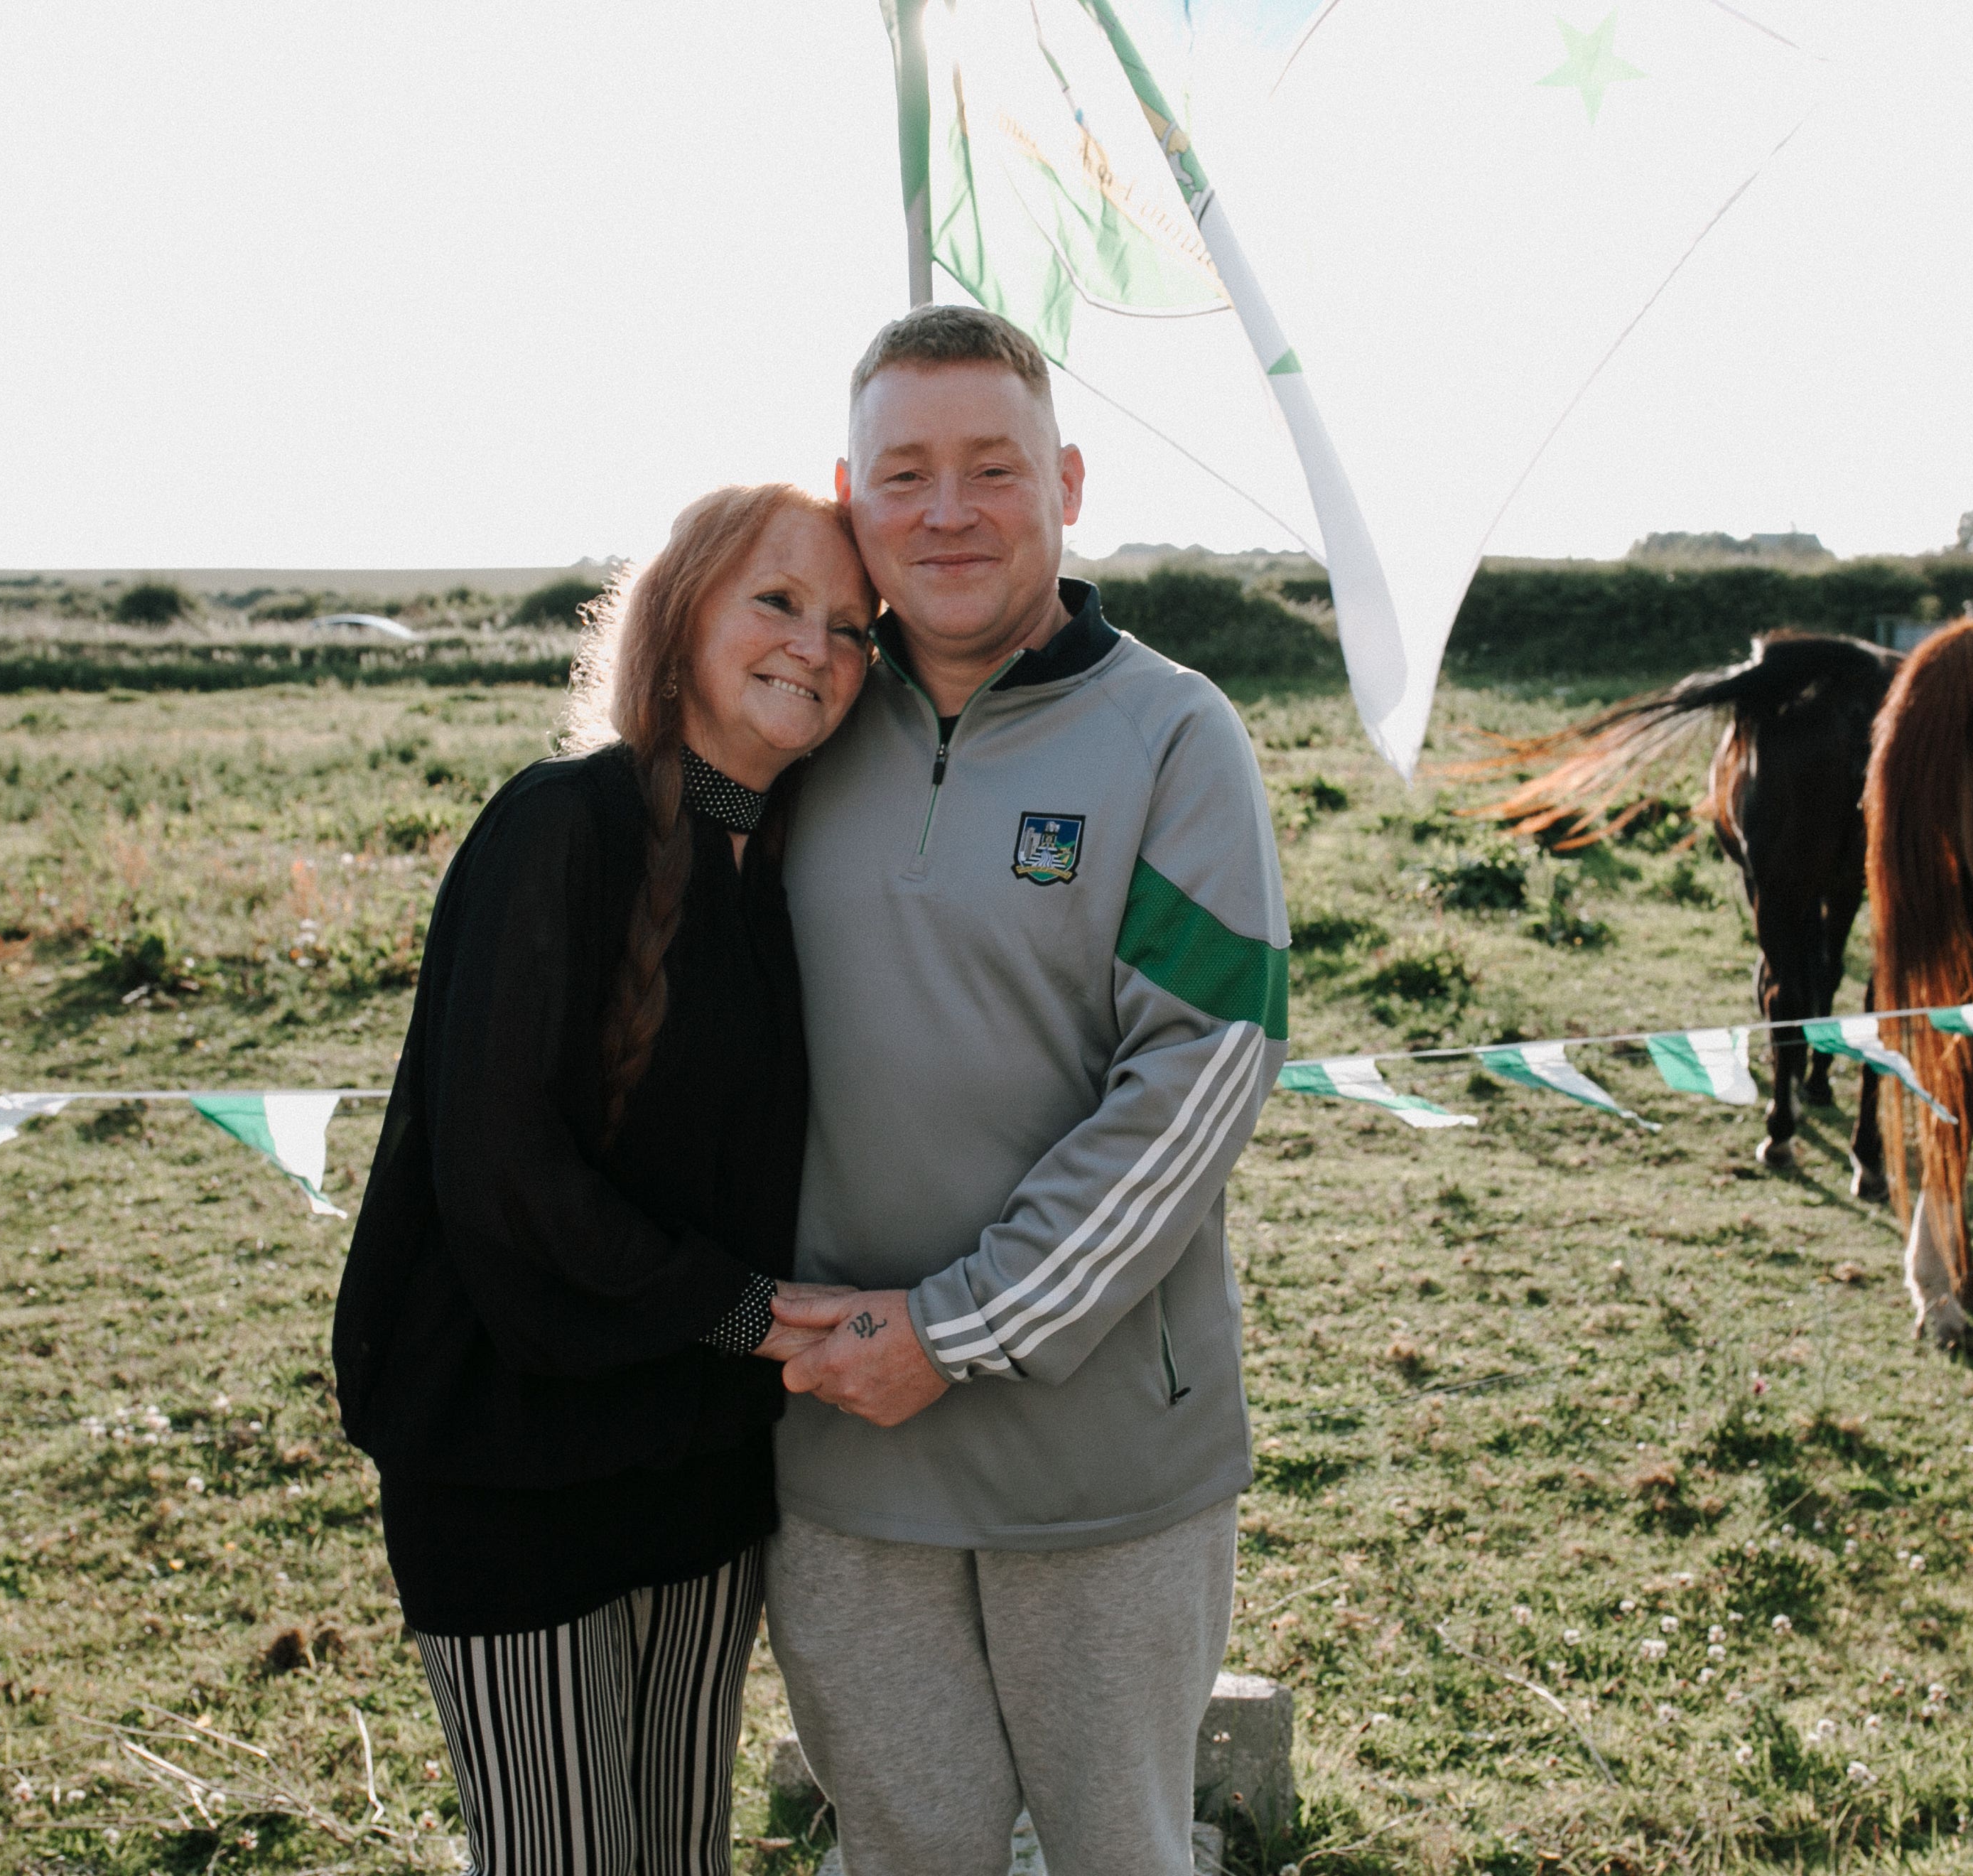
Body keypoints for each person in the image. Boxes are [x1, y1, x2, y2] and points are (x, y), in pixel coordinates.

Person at [762, 306, 1291, 1875]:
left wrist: (954, 1331)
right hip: (841, 1454)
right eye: (904, 472)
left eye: (992, 467)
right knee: (902, 1852)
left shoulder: (1173, 736)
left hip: (1103, 1467)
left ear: (1064, 479)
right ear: (848, 495)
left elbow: (1201, 1074)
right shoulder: (799, 728)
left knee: (1119, 1853)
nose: (948, 511)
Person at [332, 483, 873, 1874]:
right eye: (779, 601)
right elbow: (504, 1165)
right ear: (681, 609)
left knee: (680, 1852)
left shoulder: (792, 872)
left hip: (700, 1463)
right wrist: (747, 1310)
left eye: (853, 628)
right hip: (515, 1461)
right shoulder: (558, 829)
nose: (819, 645)